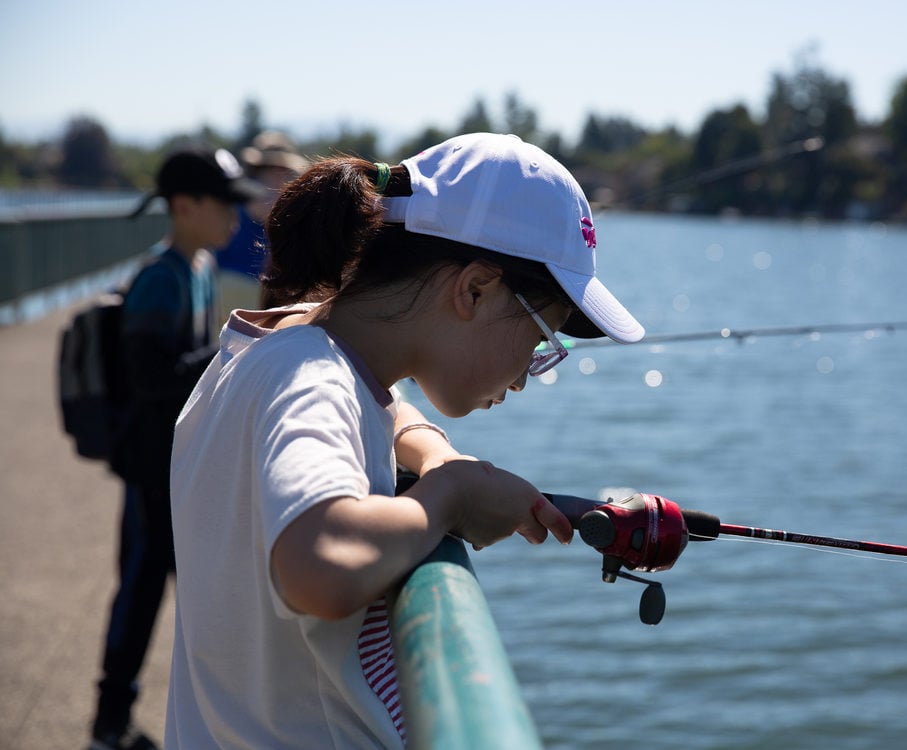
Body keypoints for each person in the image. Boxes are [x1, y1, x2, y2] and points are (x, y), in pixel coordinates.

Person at [165, 132, 646, 749]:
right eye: (542, 338)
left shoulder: (290, 346)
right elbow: (320, 566)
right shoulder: (312, 382)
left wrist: (438, 456)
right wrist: (446, 497)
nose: (530, 373)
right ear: (473, 289)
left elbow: (388, 412)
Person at [90, 146, 264, 750]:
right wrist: (232, 349)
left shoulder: (197, 268)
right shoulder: (161, 278)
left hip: (170, 463)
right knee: (140, 589)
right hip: (147, 468)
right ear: (184, 207)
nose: (237, 220)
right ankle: (109, 725)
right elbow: (152, 378)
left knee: (173, 587)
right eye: (226, 206)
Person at [214, 130, 309, 317]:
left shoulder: (294, 224)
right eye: (270, 169)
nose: (278, 178)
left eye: (284, 171)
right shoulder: (231, 215)